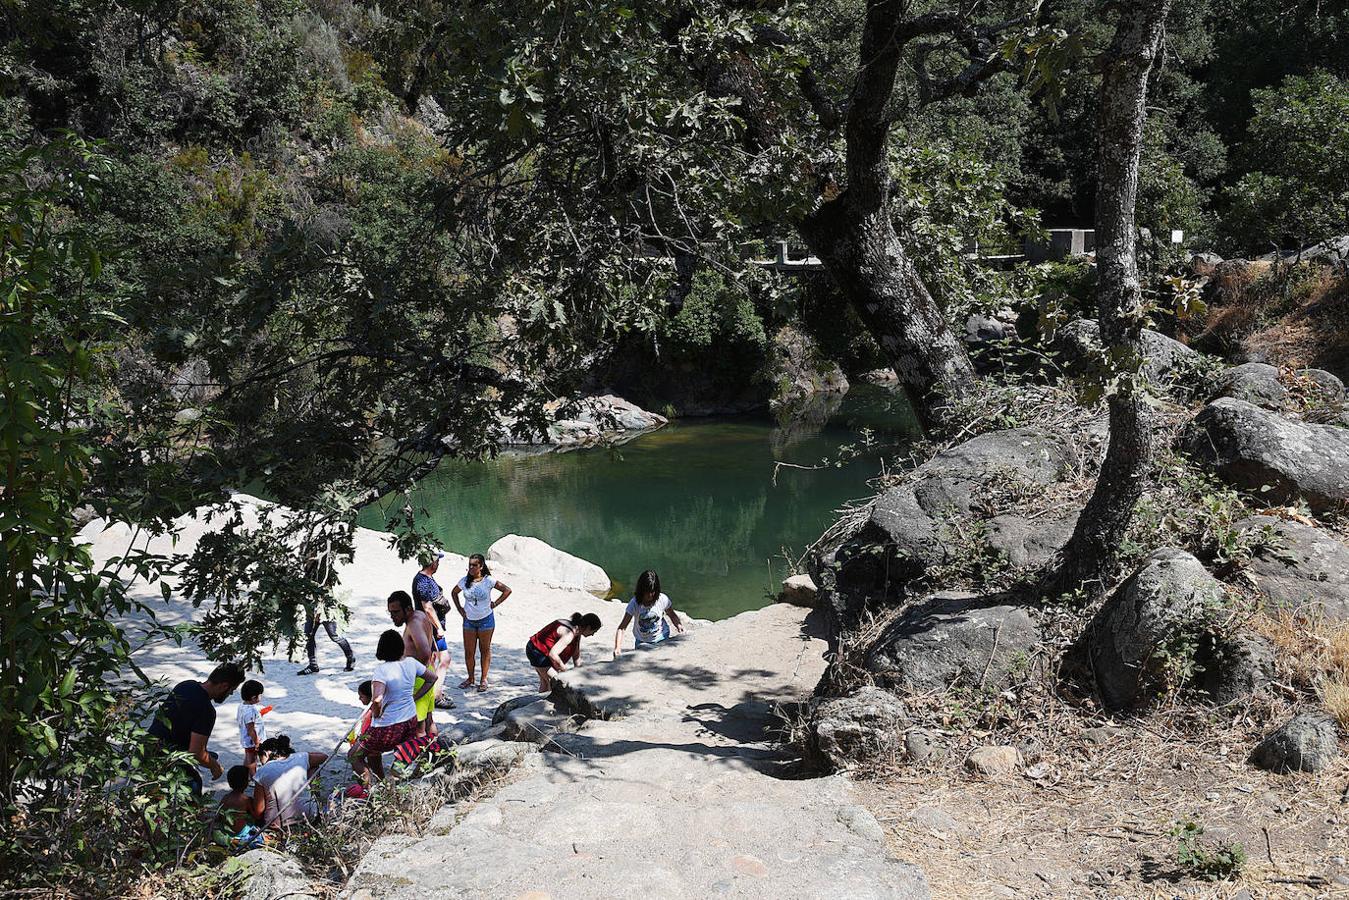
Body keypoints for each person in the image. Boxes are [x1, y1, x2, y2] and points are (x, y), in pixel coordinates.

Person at [348, 630, 437, 782]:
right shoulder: (411, 663)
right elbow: (432, 678)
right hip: (410, 721)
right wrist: (415, 696)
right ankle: (389, 780)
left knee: (353, 756)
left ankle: (368, 789)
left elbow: (377, 699)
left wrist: (376, 714)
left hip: (386, 726)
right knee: (382, 754)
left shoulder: (381, 670)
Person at [146, 662, 246, 796]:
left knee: (212, 756)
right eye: (231, 690)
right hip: (165, 756)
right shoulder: (206, 711)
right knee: (194, 786)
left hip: (148, 744)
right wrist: (215, 767)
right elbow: (196, 753)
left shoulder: (186, 685)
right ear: (224, 686)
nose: (231, 693)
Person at [386, 590, 449, 734]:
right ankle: (436, 753)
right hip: (426, 673)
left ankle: (421, 756)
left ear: (408, 609)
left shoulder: (413, 624)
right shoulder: (420, 615)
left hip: (419, 679)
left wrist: (410, 676)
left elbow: (425, 652)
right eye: (390, 612)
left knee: (418, 726)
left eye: (395, 612)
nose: (392, 617)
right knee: (428, 719)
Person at [450, 553, 512, 693]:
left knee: (485, 649)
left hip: (486, 620)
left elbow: (507, 590)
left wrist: (495, 603)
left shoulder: (488, 580)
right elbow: (454, 593)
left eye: (474, 565)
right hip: (469, 622)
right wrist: (460, 609)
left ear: (481, 566)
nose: (471, 568)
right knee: (469, 651)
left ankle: (483, 679)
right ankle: (470, 678)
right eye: (469, 565)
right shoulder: (464, 581)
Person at [296, 551, 355, 675]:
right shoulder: (307, 571)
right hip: (311, 610)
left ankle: (350, 657)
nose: (305, 558)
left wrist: (319, 611)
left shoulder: (322, 571)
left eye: (307, 556)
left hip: (326, 610)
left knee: (335, 636)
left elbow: (326, 592)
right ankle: (313, 665)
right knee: (308, 635)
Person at [252, 735, 328, 829]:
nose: (261, 763)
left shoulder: (262, 771)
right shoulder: (300, 757)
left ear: (266, 753)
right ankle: (314, 804)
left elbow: (259, 810)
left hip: (276, 824)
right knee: (314, 767)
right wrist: (301, 755)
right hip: (308, 816)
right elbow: (324, 756)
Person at [613, 570, 684, 657]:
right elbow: (622, 628)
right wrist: (617, 648)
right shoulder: (634, 604)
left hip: (662, 638)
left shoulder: (662, 599)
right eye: (647, 592)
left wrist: (679, 626)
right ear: (641, 590)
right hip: (642, 641)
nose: (650, 595)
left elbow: (672, 615)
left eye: (653, 592)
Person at [527, 612, 602, 693]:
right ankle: (544, 704)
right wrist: (565, 671)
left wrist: (580, 672)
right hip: (537, 652)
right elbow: (553, 654)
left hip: (536, 648)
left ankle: (540, 704)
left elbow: (576, 655)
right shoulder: (569, 634)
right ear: (588, 627)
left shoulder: (577, 631)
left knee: (545, 682)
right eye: (594, 631)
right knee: (557, 683)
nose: (593, 635)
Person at [236, 679, 266, 771]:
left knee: (248, 757)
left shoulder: (242, 706)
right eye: (260, 695)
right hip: (253, 741)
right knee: (253, 760)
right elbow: (251, 729)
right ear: (253, 698)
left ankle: (244, 774)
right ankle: (254, 777)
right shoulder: (250, 711)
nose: (261, 697)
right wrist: (257, 742)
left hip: (246, 740)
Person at [219, 765, 256, 835]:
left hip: (226, 831)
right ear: (246, 783)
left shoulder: (225, 797)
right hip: (240, 832)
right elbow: (255, 815)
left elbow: (219, 815)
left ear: (230, 783)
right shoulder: (246, 800)